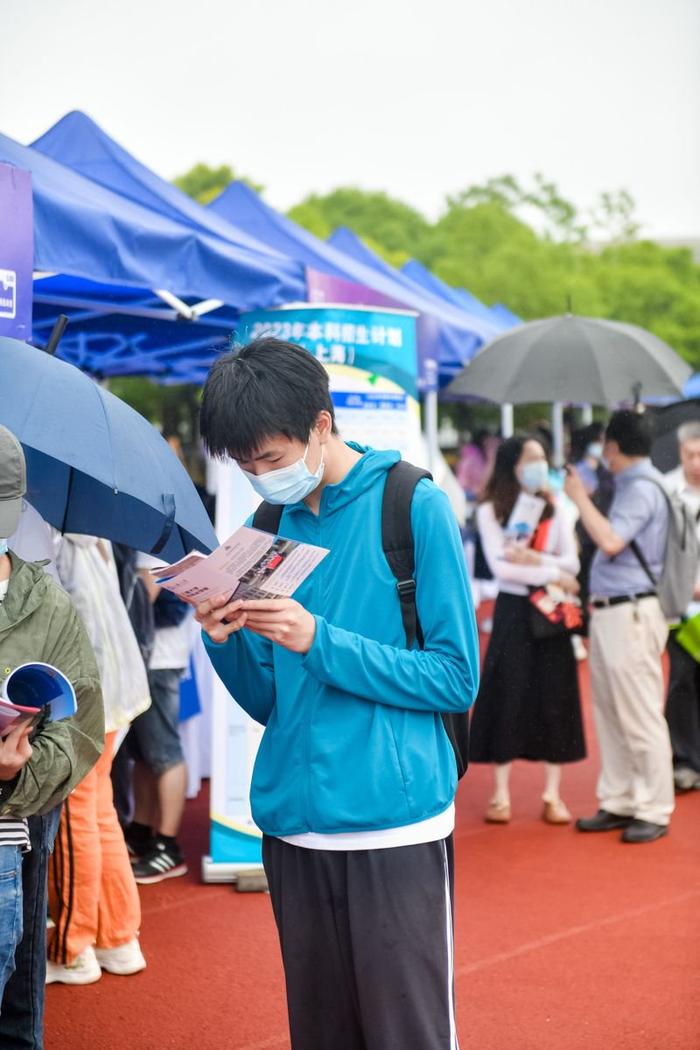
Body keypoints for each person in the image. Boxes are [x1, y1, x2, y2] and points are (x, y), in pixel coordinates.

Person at [196, 338, 479, 1050]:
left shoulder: (412, 505)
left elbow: (454, 676)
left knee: (404, 1034)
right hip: (293, 827)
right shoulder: (263, 531)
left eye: (271, 458)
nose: (262, 478)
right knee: (320, 1035)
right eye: (246, 465)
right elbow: (270, 702)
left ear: (322, 424)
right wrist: (221, 639)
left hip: (393, 822)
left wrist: (317, 640)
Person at [0, 425, 104, 1046]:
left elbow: (80, 731)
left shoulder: (48, 608)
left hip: (12, 833)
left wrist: (20, 768)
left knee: (15, 1003)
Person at [45, 535, 150, 984]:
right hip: (113, 690)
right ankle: (117, 937)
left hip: (86, 695)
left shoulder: (55, 532)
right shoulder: (91, 528)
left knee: (75, 816)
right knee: (97, 810)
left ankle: (74, 947)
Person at [565, 410, 673, 843]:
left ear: (613, 446)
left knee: (639, 712)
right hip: (616, 610)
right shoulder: (633, 485)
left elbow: (610, 540)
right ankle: (622, 799)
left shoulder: (642, 489)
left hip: (630, 610)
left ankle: (653, 805)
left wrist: (579, 497)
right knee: (611, 711)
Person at [469, 436, 585, 823]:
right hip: (514, 609)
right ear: (511, 465)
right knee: (508, 690)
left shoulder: (557, 508)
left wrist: (538, 560)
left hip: (551, 609)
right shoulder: (490, 510)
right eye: (530, 458)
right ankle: (500, 794)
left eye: (542, 457)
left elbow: (573, 563)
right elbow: (504, 570)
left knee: (557, 695)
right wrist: (553, 570)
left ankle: (553, 793)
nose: (539, 464)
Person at [123, 565, 191, 883]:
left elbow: (145, 594)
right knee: (145, 752)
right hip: (147, 655)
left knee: (164, 753)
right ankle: (141, 831)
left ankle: (168, 845)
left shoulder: (157, 532)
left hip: (158, 656)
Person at [664, 421, 700, 791]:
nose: (696, 462)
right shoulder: (667, 490)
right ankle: (685, 759)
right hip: (679, 608)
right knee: (681, 683)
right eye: (690, 455)